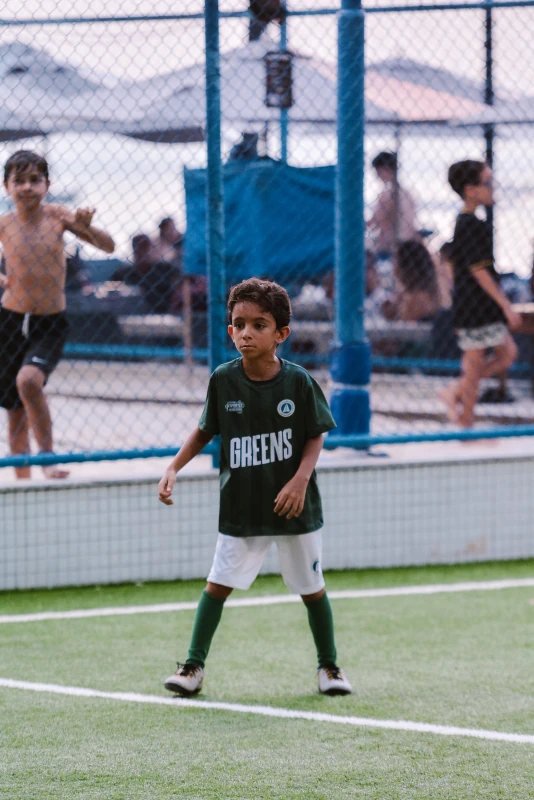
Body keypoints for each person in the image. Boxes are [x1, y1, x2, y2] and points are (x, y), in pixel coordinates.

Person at [158, 277, 352, 698]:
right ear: (230, 330)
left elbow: (316, 434)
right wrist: (174, 467)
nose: (246, 332)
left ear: (281, 333)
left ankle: (329, 667)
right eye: (239, 324)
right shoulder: (223, 380)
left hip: (294, 508)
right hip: (242, 508)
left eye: (259, 325)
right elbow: (205, 430)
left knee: (312, 589)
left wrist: (300, 480)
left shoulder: (298, 382)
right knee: (217, 584)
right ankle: (192, 667)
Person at [0, 149, 115, 479]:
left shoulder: (58, 217)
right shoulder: (5, 224)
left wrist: (87, 227)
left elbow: (108, 246)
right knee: (14, 407)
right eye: (19, 180)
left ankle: (47, 456)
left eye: (34, 179)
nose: (27, 187)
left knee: (29, 381)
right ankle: (22, 480)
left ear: (47, 185)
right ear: (7, 187)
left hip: (48, 322)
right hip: (10, 319)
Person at [439, 160, 521, 428]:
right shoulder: (470, 224)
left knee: (505, 354)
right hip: (475, 304)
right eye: (487, 183)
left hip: (477, 303)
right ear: (470, 190)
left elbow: (457, 264)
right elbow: (479, 271)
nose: (492, 188)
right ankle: (465, 419)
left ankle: (457, 392)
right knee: (476, 363)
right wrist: (505, 304)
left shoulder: (468, 222)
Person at [367, 151, 419, 260]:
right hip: (408, 245)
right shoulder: (406, 192)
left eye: (378, 172)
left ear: (386, 169)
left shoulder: (387, 193)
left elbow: (376, 220)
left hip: (390, 248)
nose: (377, 176)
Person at [383, 240, 440, 323]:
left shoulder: (418, 297)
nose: (392, 263)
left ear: (404, 265)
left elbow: (405, 327)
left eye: (395, 259)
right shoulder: (407, 294)